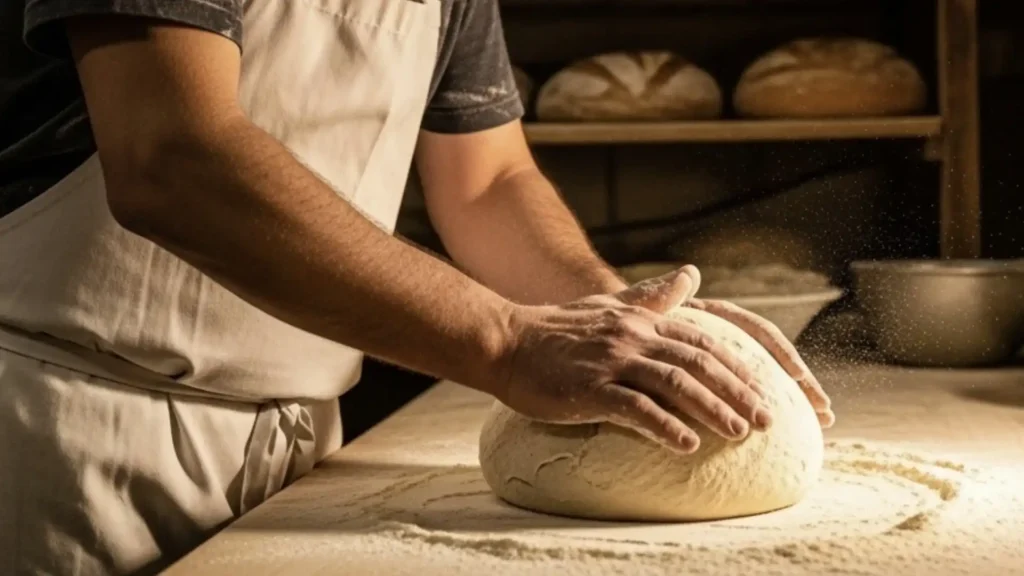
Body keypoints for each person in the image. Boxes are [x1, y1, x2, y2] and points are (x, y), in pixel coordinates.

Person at [0, 0, 835, 574]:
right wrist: (509, 343)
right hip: (74, 432)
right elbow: (171, 156)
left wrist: (618, 315)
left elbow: (486, 180)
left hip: (294, 448)